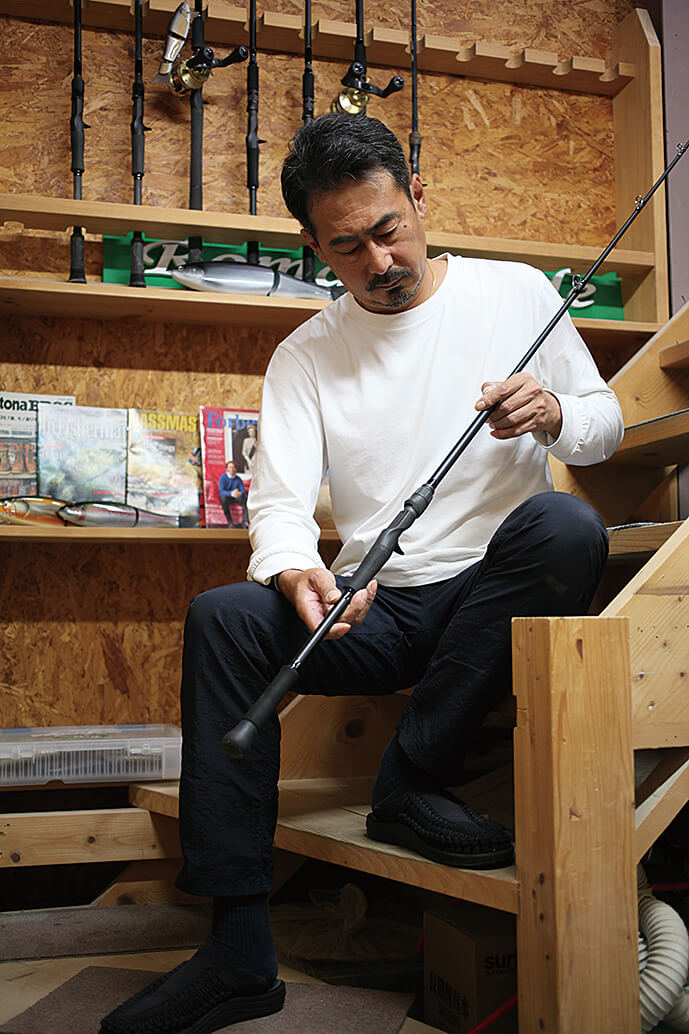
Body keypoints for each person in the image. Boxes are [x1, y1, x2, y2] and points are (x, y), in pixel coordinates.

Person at [101, 113, 623, 1034]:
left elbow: (603, 425)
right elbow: (278, 504)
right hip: (373, 605)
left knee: (565, 523)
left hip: (493, 593)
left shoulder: (514, 292)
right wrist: (292, 569)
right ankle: (236, 949)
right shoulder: (305, 353)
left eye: (389, 229)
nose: (380, 261)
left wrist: (552, 413)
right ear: (315, 248)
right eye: (347, 247)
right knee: (224, 616)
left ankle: (409, 781)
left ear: (417, 197)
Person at [218, 459, 248, 528]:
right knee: (222, 498)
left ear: (235, 469)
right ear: (227, 469)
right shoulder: (223, 478)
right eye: (230, 467)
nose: (232, 469)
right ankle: (230, 522)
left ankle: (245, 521)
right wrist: (231, 493)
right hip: (228, 497)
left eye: (233, 467)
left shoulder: (238, 479)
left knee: (245, 497)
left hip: (236, 497)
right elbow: (221, 491)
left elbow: (243, 490)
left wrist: (239, 493)